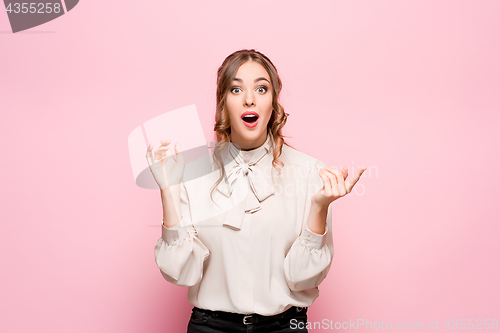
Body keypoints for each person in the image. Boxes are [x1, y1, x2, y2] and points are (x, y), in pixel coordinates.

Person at [146, 49, 366, 333]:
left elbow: (302, 278)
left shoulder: (310, 172)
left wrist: (319, 207)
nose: (249, 98)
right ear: (223, 102)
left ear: (273, 102)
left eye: (261, 88)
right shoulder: (192, 172)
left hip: (284, 327)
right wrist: (168, 188)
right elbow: (179, 271)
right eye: (236, 89)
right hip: (210, 327)